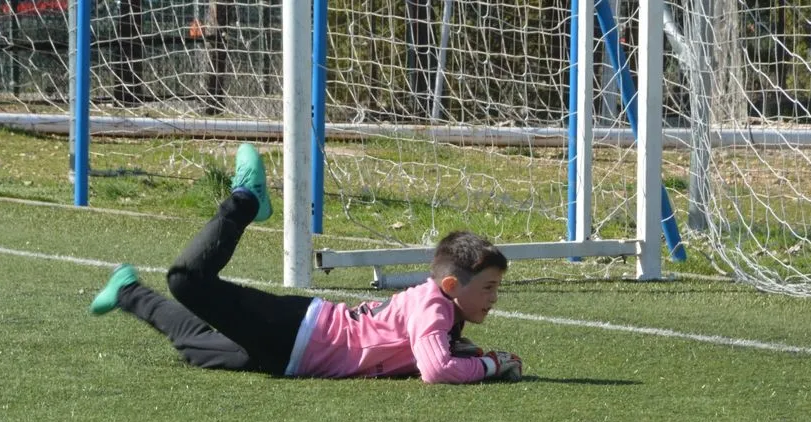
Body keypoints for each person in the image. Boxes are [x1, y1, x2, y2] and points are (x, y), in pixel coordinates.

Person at [89, 144, 522, 383]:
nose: (494, 298)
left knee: (197, 348)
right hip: (300, 333)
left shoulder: (441, 309)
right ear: (451, 286)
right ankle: (245, 200)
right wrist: (489, 366)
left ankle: (127, 290)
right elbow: (437, 369)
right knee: (187, 281)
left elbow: (427, 353)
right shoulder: (435, 306)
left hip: (293, 353)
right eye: (488, 287)